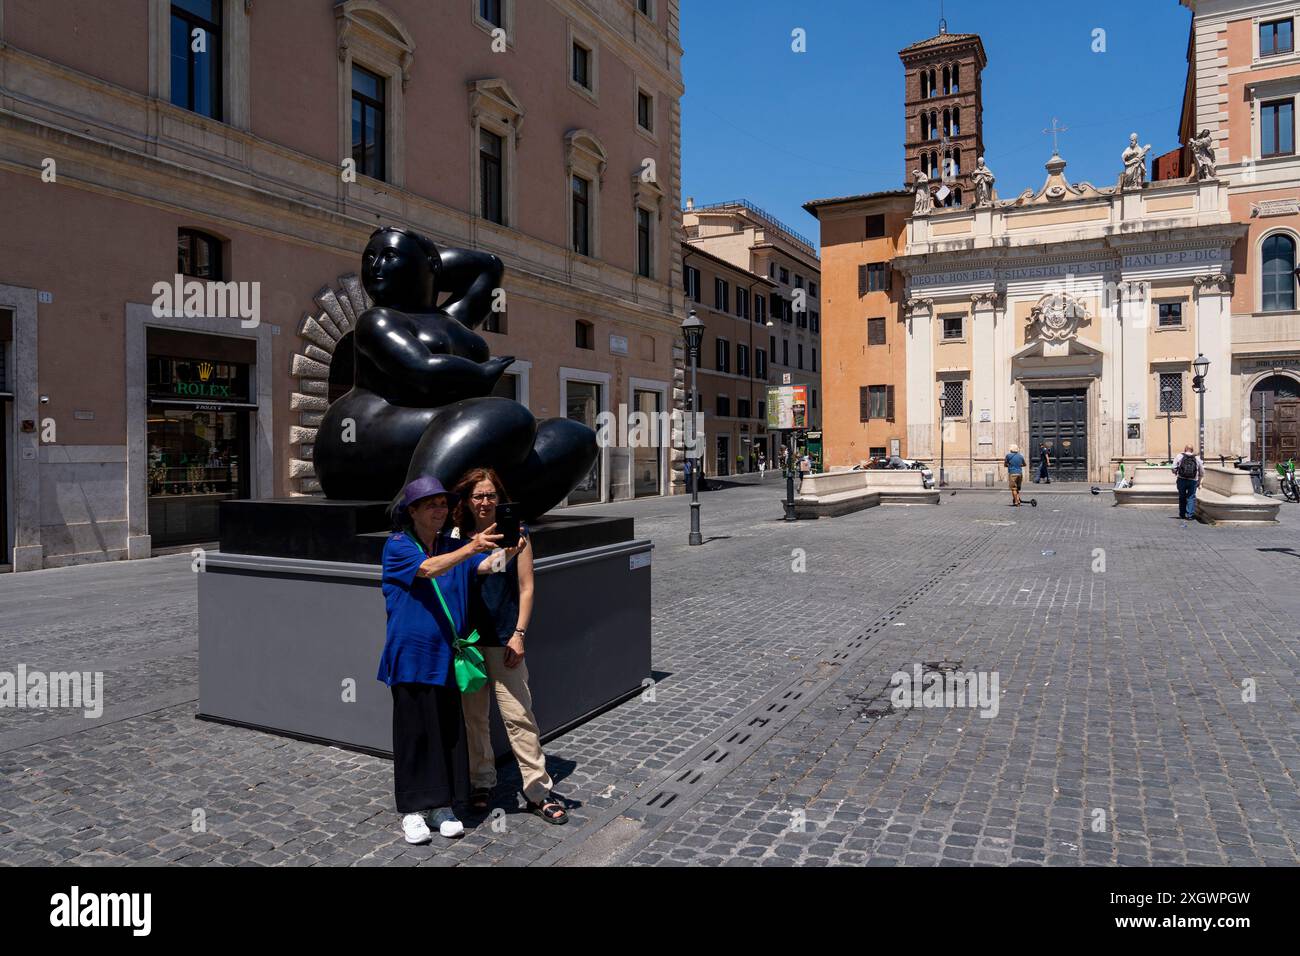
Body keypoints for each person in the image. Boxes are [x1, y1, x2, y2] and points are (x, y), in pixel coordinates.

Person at [378, 475, 517, 844]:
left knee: (445, 732)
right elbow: (429, 570)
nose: (440, 510)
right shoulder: (398, 545)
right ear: (413, 511)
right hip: (411, 657)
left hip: (446, 656)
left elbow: (484, 569)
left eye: (443, 504)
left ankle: (441, 805)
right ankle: (412, 811)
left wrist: (510, 550)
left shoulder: (447, 544)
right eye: (432, 505)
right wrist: (472, 547)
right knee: (414, 734)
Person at [452, 468, 569, 825]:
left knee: (519, 716)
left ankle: (537, 791)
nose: (485, 502)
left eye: (491, 496)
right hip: (468, 642)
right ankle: (482, 783)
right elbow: (467, 574)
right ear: (468, 501)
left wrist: (519, 632)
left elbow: (526, 588)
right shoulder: (455, 537)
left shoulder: (517, 534)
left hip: (505, 639)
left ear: (500, 499)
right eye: (478, 496)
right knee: (474, 719)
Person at [1172, 444, 1204, 521]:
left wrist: (1176, 473)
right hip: (1193, 480)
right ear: (1192, 450)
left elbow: (1173, 467)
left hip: (1181, 479)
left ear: (1185, 449)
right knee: (1191, 497)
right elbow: (1202, 471)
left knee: (1182, 496)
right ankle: (1190, 515)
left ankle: (1182, 514)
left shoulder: (1179, 456)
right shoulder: (1196, 458)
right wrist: (1199, 481)